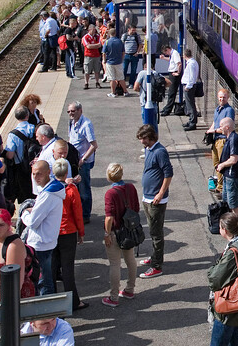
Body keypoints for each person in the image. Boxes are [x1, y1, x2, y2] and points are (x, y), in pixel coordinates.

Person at [207, 213, 238, 346]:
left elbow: (214, 278)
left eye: (220, 227)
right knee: (234, 341)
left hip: (228, 307)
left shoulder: (232, 253)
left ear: (225, 230)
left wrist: (213, 268)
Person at [21, 161, 65, 296]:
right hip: (47, 241)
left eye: (39, 174)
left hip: (40, 244)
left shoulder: (48, 195)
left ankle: (46, 312)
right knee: (45, 278)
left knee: (42, 281)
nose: (35, 177)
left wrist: (25, 214)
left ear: (48, 172)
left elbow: (33, 222)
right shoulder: (51, 190)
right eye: (33, 174)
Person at [138, 124, 173, 278]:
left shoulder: (160, 152)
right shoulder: (149, 150)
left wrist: (160, 194)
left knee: (156, 232)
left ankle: (156, 265)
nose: (141, 141)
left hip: (155, 198)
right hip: (148, 196)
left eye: (144, 138)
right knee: (152, 231)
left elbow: (168, 174)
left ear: (151, 137)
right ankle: (154, 257)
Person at [51, 159, 86, 311]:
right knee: (67, 268)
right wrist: (81, 232)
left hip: (52, 232)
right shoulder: (71, 190)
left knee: (51, 268)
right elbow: (78, 213)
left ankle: (52, 301)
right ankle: (73, 301)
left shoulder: (49, 189)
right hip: (68, 231)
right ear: (66, 173)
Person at [0, 208, 35, 302]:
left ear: (8, 225)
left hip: (12, 300)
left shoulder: (13, 246)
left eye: (1, 225)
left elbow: (15, 282)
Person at [102, 163, 138, 307]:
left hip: (116, 231)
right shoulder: (130, 188)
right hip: (129, 230)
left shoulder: (110, 193)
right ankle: (130, 289)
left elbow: (109, 217)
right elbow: (136, 207)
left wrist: (107, 233)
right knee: (130, 259)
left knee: (115, 264)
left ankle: (114, 297)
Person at [67, 101, 98, 223]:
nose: (70, 113)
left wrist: (83, 159)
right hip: (74, 160)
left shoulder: (86, 125)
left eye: (73, 111)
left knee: (84, 189)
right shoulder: (71, 122)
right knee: (76, 188)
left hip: (82, 162)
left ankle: (85, 215)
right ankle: (79, 213)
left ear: (80, 110)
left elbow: (94, 145)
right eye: (69, 111)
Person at [3, 106, 37, 202]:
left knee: (25, 195)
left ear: (16, 117)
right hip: (36, 164)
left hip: (21, 169)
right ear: (27, 115)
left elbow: (10, 155)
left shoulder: (13, 135)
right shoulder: (35, 129)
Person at [208, 89, 236, 193]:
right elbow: (215, 122)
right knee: (216, 163)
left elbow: (227, 127)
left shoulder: (229, 110)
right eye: (220, 97)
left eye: (224, 97)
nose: (221, 99)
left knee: (221, 163)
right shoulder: (217, 109)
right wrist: (210, 131)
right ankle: (219, 185)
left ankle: (221, 188)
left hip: (222, 140)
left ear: (228, 98)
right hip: (216, 139)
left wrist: (214, 130)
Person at [217, 118, 238, 217]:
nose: (220, 128)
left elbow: (234, 159)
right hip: (227, 175)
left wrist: (222, 165)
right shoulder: (229, 138)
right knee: (226, 200)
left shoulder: (234, 139)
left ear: (227, 127)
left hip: (232, 176)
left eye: (221, 126)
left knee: (233, 203)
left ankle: (236, 225)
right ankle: (229, 223)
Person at [103, 28, 129, 97]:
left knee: (112, 78)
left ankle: (113, 92)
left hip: (110, 62)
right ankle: (125, 91)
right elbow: (123, 52)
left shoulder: (107, 42)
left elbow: (104, 53)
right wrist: (122, 59)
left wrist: (104, 60)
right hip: (119, 62)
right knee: (121, 78)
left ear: (109, 34)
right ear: (115, 33)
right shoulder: (120, 41)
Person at [159, 44, 183, 116]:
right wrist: (164, 58)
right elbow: (171, 60)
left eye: (165, 53)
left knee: (172, 93)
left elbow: (179, 64)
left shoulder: (175, 53)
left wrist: (178, 73)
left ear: (168, 49)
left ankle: (168, 109)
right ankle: (167, 107)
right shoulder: (172, 54)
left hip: (174, 74)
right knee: (170, 92)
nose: (166, 54)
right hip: (172, 73)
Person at [182, 49, 200, 131]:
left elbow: (192, 77)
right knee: (190, 104)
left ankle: (193, 123)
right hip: (189, 85)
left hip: (189, 87)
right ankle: (191, 121)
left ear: (185, 55)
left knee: (190, 105)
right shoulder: (192, 63)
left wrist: (188, 86)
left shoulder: (191, 64)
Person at [82, 24, 103, 90]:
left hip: (97, 55)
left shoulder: (97, 36)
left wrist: (93, 45)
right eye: (93, 29)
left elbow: (100, 45)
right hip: (88, 55)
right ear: (90, 30)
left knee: (97, 70)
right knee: (87, 70)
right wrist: (95, 45)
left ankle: (97, 82)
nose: (95, 31)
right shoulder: (85, 37)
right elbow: (88, 46)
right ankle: (86, 83)